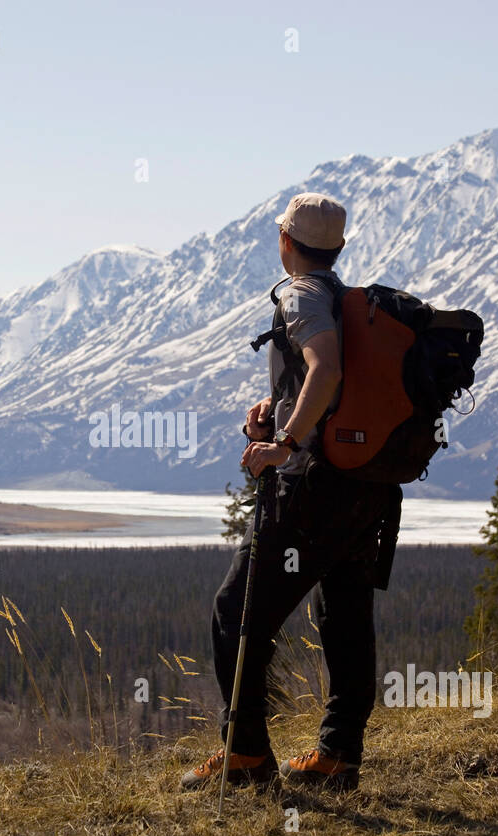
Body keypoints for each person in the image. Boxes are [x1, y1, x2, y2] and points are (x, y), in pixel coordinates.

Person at [181, 192, 400, 793]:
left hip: (312, 489)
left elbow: (325, 369)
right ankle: (338, 758)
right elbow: (329, 380)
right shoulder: (350, 302)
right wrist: (278, 413)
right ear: (339, 248)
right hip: (365, 487)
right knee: (346, 617)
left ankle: (246, 755)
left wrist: (286, 442)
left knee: (237, 613)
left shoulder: (301, 293)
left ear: (285, 243)